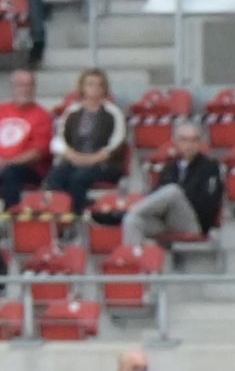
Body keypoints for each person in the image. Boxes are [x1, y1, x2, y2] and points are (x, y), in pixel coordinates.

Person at [123, 120, 223, 247]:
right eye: (184, 140)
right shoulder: (170, 167)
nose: (189, 145)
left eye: (194, 140)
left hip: (194, 223)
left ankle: (133, 209)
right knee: (132, 220)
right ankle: (135, 257)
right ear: (175, 142)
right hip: (166, 221)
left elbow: (209, 204)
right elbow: (157, 195)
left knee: (173, 190)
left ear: (199, 143)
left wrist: (178, 198)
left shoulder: (210, 167)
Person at [46, 69, 127, 202]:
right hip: (75, 159)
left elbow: (116, 144)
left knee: (79, 178)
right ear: (82, 87)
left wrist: (92, 159)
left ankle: (78, 212)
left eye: (99, 85)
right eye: (90, 84)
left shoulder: (114, 113)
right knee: (55, 176)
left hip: (103, 163)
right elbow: (61, 139)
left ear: (104, 89)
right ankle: (60, 211)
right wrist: (71, 155)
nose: (94, 88)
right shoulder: (72, 112)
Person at [0, 68, 51, 207]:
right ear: (12, 87)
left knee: (11, 172)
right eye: (21, 85)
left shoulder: (43, 116)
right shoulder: (1, 110)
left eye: (29, 85)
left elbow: (37, 153)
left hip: (28, 169)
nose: (25, 89)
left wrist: (6, 163)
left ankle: (11, 216)